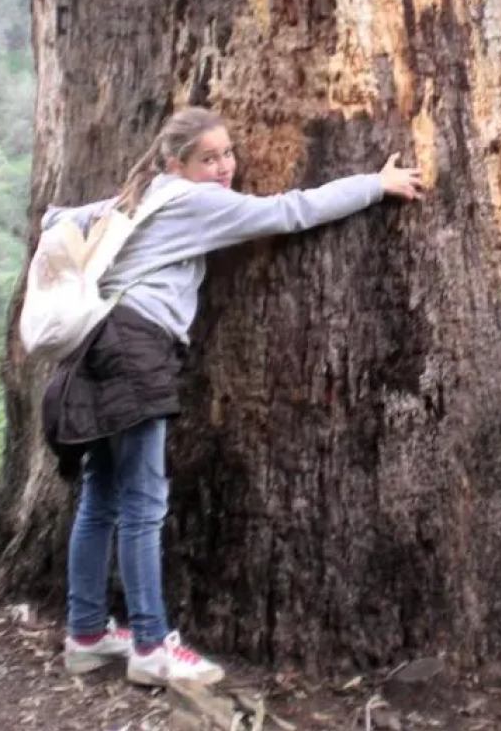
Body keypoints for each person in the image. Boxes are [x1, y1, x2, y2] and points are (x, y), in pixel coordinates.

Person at [49, 106, 424, 685]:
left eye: (227, 153)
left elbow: (61, 219)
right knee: (143, 503)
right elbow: (289, 211)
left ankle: (86, 633)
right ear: (177, 163)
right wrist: (375, 184)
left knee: (102, 496)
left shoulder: (142, 194)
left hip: (93, 347)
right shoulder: (195, 202)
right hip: (135, 351)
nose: (224, 167)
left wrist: (53, 221)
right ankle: (150, 647)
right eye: (209, 158)